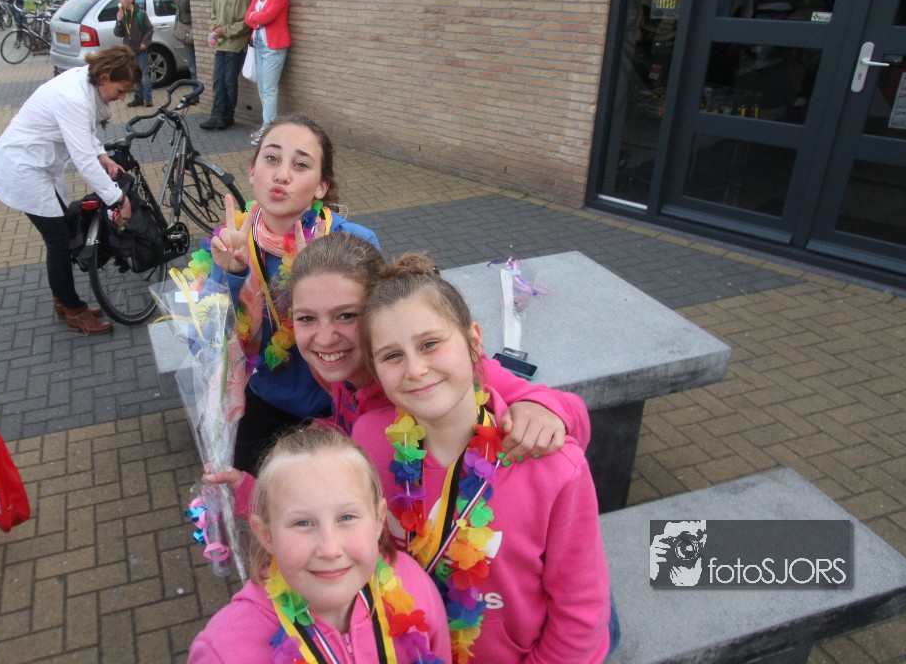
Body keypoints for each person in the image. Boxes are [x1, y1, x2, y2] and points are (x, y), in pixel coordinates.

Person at [351, 253, 615, 664]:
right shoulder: (369, 443)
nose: (415, 369)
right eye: (392, 356)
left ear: (474, 341)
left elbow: (580, 614)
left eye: (430, 344)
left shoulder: (551, 466)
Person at [208, 232, 588, 516]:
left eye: (347, 315)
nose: (324, 337)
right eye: (307, 319)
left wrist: (545, 408)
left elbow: (562, 408)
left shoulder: (423, 375)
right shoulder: (339, 371)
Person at [190, 114, 376, 475]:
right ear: (252, 171)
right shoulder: (226, 245)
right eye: (272, 158)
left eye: (301, 165)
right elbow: (203, 346)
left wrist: (318, 281)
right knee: (251, 493)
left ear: (321, 186)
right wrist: (228, 275)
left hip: (341, 402)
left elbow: (386, 330)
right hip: (263, 400)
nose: (282, 175)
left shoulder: (353, 243)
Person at [188, 427, 452, 664]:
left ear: (379, 519)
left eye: (346, 517)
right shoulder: (223, 652)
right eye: (302, 523)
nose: (329, 549)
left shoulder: (414, 586)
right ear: (266, 534)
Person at [0, 47, 142, 335]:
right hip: (23, 169)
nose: (122, 98)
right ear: (105, 77)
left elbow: (83, 134)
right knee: (58, 241)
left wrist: (102, 155)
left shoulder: (83, 83)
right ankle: (73, 310)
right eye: (121, 90)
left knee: (61, 236)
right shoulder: (73, 97)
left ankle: (63, 299)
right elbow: (83, 160)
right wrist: (119, 199)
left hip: (37, 167)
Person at [243, 0, 291, 145]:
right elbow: (248, 16)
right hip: (258, 44)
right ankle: (268, 126)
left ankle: (269, 130)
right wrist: (257, 17)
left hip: (274, 46)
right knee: (262, 88)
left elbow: (269, 16)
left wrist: (256, 17)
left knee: (269, 89)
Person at [200, 0, 250, 131]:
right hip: (221, 44)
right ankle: (216, 115)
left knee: (229, 80)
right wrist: (214, 26)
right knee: (217, 80)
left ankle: (227, 116)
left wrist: (225, 30)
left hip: (235, 46)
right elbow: (214, 15)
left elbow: (245, 23)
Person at [113, 0, 153, 108]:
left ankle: (148, 98)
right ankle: (138, 97)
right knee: (134, 75)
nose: (121, 1)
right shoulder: (123, 14)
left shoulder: (141, 14)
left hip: (140, 49)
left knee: (144, 74)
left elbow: (149, 29)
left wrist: (145, 42)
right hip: (129, 50)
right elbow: (118, 33)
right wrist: (119, 21)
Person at [164, 0, 196, 84]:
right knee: (191, 63)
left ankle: (196, 90)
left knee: (192, 64)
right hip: (185, 28)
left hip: (188, 28)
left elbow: (183, 6)